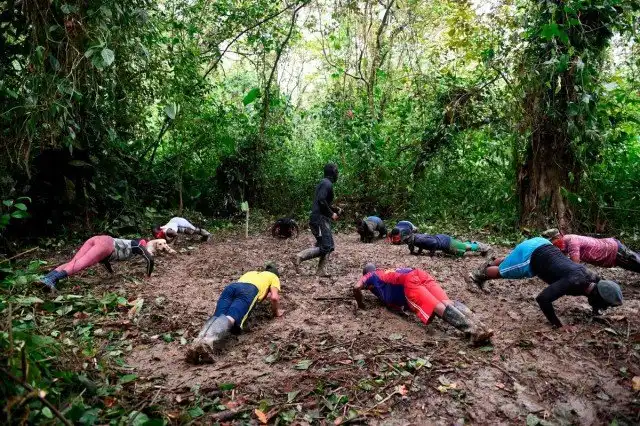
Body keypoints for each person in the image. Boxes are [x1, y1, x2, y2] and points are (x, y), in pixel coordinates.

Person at [469, 237, 623, 327]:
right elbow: (543, 298)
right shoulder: (574, 282)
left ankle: (492, 262)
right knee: (503, 272)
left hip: (543, 244)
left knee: (510, 262)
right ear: (596, 295)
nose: (604, 307)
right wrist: (558, 325)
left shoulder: (593, 278)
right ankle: (477, 276)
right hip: (531, 253)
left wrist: (596, 311)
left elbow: (598, 293)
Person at [354, 263, 493, 344]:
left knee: (436, 306)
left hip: (409, 280)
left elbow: (356, 287)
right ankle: (481, 326)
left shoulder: (370, 275)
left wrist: (360, 304)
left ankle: (474, 331)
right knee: (447, 301)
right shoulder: (385, 273)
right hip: (419, 273)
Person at [186, 263, 283, 364]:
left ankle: (197, 342)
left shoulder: (251, 273)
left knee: (218, 317)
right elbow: (274, 297)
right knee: (232, 316)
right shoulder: (274, 277)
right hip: (249, 290)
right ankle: (206, 341)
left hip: (231, 288)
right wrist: (276, 313)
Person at [38, 237, 175, 290]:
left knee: (74, 261)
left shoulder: (126, 244)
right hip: (106, 245)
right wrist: (148, 276)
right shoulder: (137, 245)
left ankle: (47, 277)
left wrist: (111, 273)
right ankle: (52, 279)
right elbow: (150, 259)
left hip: (99, 239)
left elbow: (105, 260)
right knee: (81, 264)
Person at [292, 163, 341, 276]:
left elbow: (323, 202)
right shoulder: (327, 183)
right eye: (337, 172)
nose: (338, 174)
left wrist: (334, 209)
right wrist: (331, 214)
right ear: (333, 172)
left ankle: (321, 271)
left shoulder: (324, 183)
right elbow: (321, 200)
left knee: (329, 246)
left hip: (320, 219)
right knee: (327, 246)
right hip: (319, 220)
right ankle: (299, 257)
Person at [542, 228, 640, 273]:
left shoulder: (572, 241)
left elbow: (575, 265)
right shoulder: (565, 242)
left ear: (558, 237)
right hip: (611, 254)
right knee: (634, 266)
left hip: (614, 250)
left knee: (637, 264)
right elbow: (562, 260)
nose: (552, 244)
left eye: (552, 241)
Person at [407, 233, 490, 257]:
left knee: (464, 248)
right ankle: (472, 242)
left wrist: (431, 254)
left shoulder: (417, 240)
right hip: (443, 239)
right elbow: (423, 244)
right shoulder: (416, 237)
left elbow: (434, 243)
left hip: (446, 243)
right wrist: (419, 252)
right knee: (461, 245)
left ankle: (484, 247)